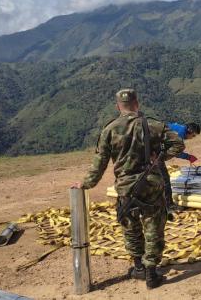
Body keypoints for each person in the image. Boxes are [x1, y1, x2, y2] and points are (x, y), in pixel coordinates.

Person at [71, 89, 185, 289]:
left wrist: (86, 184)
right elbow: (178, 143)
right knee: (153, 226)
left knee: (130, 227)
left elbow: (99, 163)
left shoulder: (110, 130)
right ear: (137, 103)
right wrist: (159, 157)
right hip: (150, 184)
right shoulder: (153, 125)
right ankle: (152, 273)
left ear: (118, 106)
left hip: (125, 188)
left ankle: (139, 266)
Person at [160, 122, 201, 212]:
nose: (192, 138)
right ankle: (169, 206)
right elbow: (177, 152)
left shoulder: (178, 128)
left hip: (150, 150)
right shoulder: (180, 133)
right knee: (165, 180)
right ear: (190, 131)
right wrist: (188, 157)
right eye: (193, 136)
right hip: (154, 153)